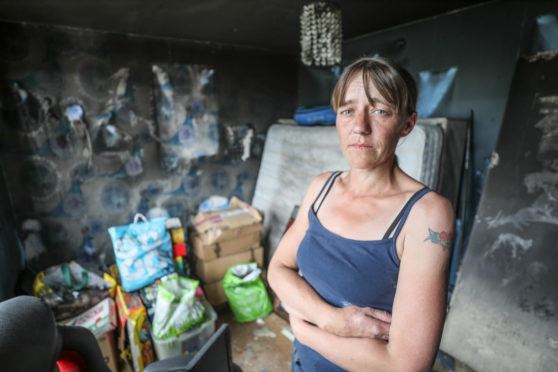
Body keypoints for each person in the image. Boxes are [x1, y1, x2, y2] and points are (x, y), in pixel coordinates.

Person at [267, 56, 455, 371]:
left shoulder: (427, 214)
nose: (360, 127)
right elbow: (278, 269)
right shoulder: (320, 187)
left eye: (380, 110)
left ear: (407, 123)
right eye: (348, 110)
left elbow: (406, 366)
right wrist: (330, 320)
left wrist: (304, 330)